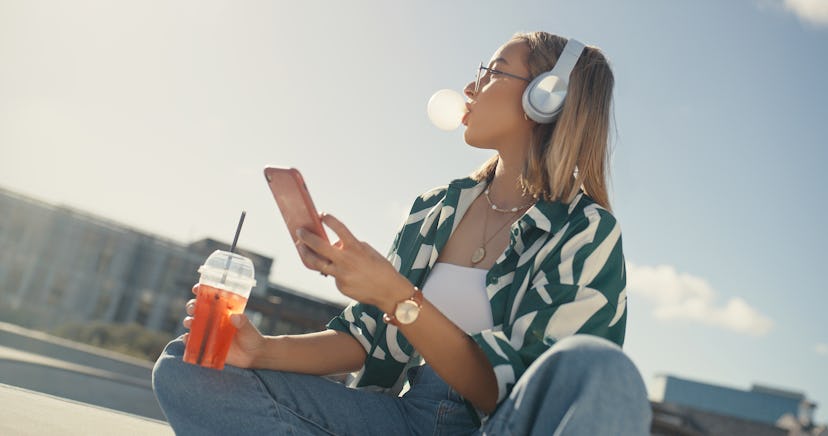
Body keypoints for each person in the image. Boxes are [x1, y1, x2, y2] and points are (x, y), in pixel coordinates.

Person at [153, 31, 653, 435]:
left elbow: (509, 392)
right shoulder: (436, 208)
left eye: (493, 71)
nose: (472, 87)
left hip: (497, 428)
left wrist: (397, 295)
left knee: (600, 369)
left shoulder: (585, 233)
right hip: (404, 419)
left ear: (545, 97)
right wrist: (260, 350)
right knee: (188, 365)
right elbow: (366, 338)